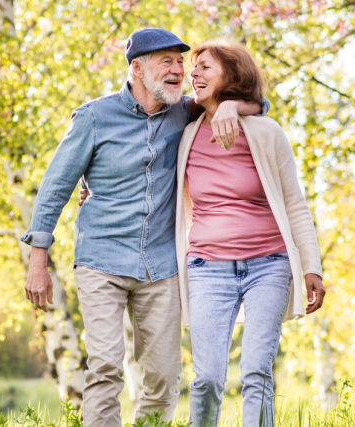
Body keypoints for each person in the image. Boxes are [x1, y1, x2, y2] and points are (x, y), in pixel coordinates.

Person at [21, 28, 267, 427]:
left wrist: (229, 108)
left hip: (161, 264)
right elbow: (54, 190)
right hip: (101, 258)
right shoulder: (94, 117)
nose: (178, 71)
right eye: (166, 61)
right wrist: (38, 261)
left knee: (164, 376)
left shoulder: (184, 111)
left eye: (179, 62)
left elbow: (261, 103)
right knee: (104, 367)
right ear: (137, 68)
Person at [173, 39, 326, 427]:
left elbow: (294, 203)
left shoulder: (266, 132)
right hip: (207, 268)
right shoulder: (185, 132)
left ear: (232, 75)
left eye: (205, 67)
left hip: (269, 266)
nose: (194, 73)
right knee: (207, 378)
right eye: (195, 68)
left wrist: (312, 267)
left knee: (257, 372)